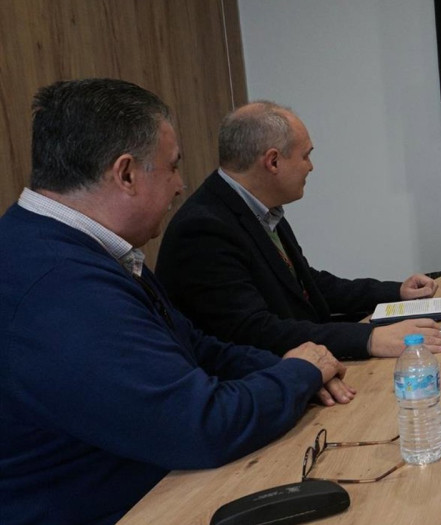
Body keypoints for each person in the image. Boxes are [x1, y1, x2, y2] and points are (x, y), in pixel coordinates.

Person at [0, 79, 352, 525]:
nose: (182, 186)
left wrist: (291, 366)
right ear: (126, 174)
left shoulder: (91, 250)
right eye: (171, 167)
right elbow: (200, 426)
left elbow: (197, 348)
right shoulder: (59, 284)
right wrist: (298, 373)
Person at [156, 101, 441, 360]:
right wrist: (368, 339)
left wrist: (396, 292)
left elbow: (308, 285)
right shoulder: (203, 229)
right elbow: (253, 331)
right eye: (305, 156)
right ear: (273, 161)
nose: (310, 167)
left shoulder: (261, 208)